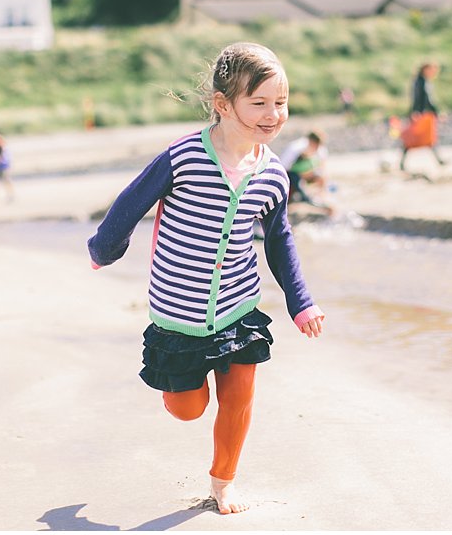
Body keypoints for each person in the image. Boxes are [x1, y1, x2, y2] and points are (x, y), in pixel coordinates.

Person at [87, 42, 325, 516]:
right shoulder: (182, 159)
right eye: (258, 103)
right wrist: (104, 250)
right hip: (179, 314)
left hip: (238, 306)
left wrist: (301, 303)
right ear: (223, 104)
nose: (273, 114)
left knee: (237, 399)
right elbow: (129, 206)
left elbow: (279, 243)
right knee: (188, 408)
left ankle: (223, 481)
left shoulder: (274, 174)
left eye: (281, 102)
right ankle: (182, 393)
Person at [400, 62, 448, 170]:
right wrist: (416, 112)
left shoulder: (422, 81)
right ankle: (402, 163)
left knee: (427, 138)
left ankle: (439, 160)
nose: (434, 72)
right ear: (425, 69)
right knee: (414, 138)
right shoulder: (421, 82)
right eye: (432, 69)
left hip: (422, 114)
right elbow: (422, 99)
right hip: (420, 114)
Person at [280, 130, 334, 214]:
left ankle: (320, 200)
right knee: (296, 181)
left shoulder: (321, 149)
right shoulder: (296, 148)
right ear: (310, 141)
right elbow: (283, 166)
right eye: (315, 145)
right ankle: (302, 198)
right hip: (291, 174)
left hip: (307, 173)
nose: (316, 148)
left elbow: (323, 169)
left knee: (321, 177)